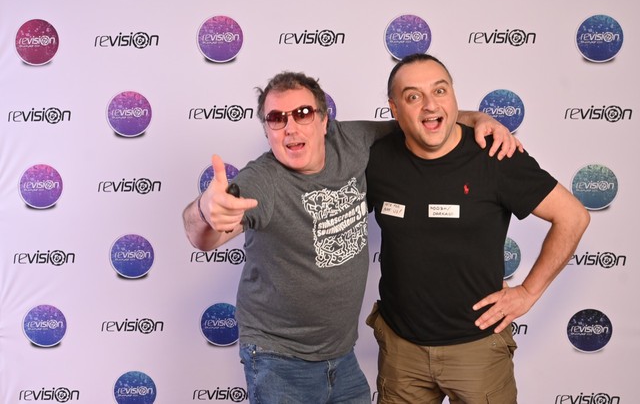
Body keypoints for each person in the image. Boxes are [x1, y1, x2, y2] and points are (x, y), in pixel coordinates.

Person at [182, 71, 521, 404]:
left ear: (324, 121)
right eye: (276, 118)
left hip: (341, 357)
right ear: (267, 130)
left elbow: (417, 120)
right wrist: (204, 210)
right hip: (279, 359)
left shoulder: (352, 141)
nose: (291, 128)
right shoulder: (263, 180)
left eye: (303, 113)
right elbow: (204, 239)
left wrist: (477, 118)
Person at [365, 53, 590, 403]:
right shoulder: (377, 158)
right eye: (413, 96)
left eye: (440, 90)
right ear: (394, 109)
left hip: (477, 352)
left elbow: (573, 216)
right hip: (401, 353)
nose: (430, 104)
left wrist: (528, 292)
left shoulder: (494, 155)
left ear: (453, 94)